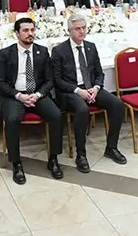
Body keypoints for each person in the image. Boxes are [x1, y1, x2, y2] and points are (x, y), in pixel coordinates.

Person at [49, 14, 127, 173]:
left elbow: (99, 73)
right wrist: (79, 91)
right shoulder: (59, 50)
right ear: (69, 31)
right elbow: (57, 80)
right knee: (82, 109)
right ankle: (81, 154)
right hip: (70, 91)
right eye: (77, 29)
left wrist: (96, 87)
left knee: (117, 104)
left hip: (91, 88)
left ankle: (111, 147)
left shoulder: (91, 47)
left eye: (84, 28)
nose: (82, 31)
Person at [0, 17, 64, 184]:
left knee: (56, 115)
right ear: (17, 33)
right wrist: (19, 95)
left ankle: (53, 159)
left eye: (32, 30)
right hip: (14, 95)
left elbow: (49, 80)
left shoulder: (42, 51)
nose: (30, 33)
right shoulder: (6, 53)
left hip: (37, 94)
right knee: (12, 119)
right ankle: (16, 163)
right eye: (25, 30)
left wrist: (38, 95)